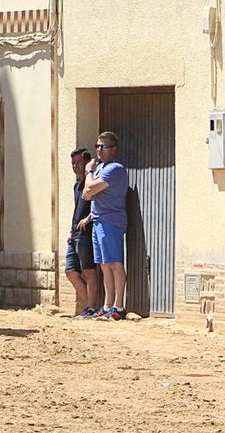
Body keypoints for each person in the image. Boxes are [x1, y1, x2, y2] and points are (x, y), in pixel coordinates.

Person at [82, 131, 129, 322]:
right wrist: (90, 181)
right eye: (97, 146)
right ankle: (107, 305)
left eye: (104, 146)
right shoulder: (101, 168)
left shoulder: (114, 169)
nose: (99, 150)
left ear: (114, 149)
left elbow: (90, 188)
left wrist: (88, 173)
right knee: (104, 265)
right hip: (98, 220)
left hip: (111, 221)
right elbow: (86, 193)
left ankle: (119, 306)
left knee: (115, 264)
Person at [66, 148, 99, 318]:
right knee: (70, 271)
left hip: (86, 232)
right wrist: (72, 230)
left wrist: (88, 219)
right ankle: (92, 305)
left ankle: (92, 308)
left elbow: (100, 205)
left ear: (86, 163)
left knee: (89, 271)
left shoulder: (91, 182)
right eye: (73, 163)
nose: (75, 166)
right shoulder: (77, 185)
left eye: (78, 162)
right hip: (75, 234)